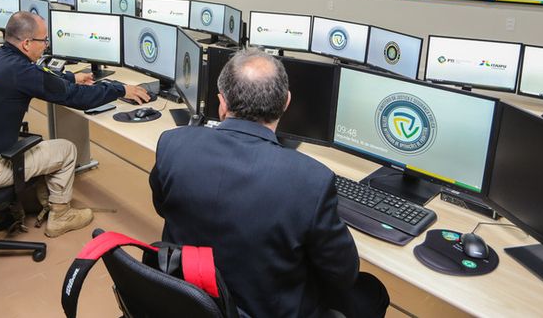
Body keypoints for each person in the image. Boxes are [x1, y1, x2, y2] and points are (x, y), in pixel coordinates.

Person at [149, 49, 389, 318]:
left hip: (190, 298)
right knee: (372, 292)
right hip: (265, 308)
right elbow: (343, 274)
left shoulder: (173, 144)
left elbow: (162, 206)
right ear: (286, 102)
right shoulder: (311, 179)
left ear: (222, 103)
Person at [0, 11, 149, 237]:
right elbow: (77, 98)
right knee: (66, 149)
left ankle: (5, 212)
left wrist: (71, 77)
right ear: (27, 43)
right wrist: (120, 89)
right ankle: (61, 216)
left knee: (30, 143)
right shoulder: (20, 71)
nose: (46, 45)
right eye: (44, 40)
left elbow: (41, 76)